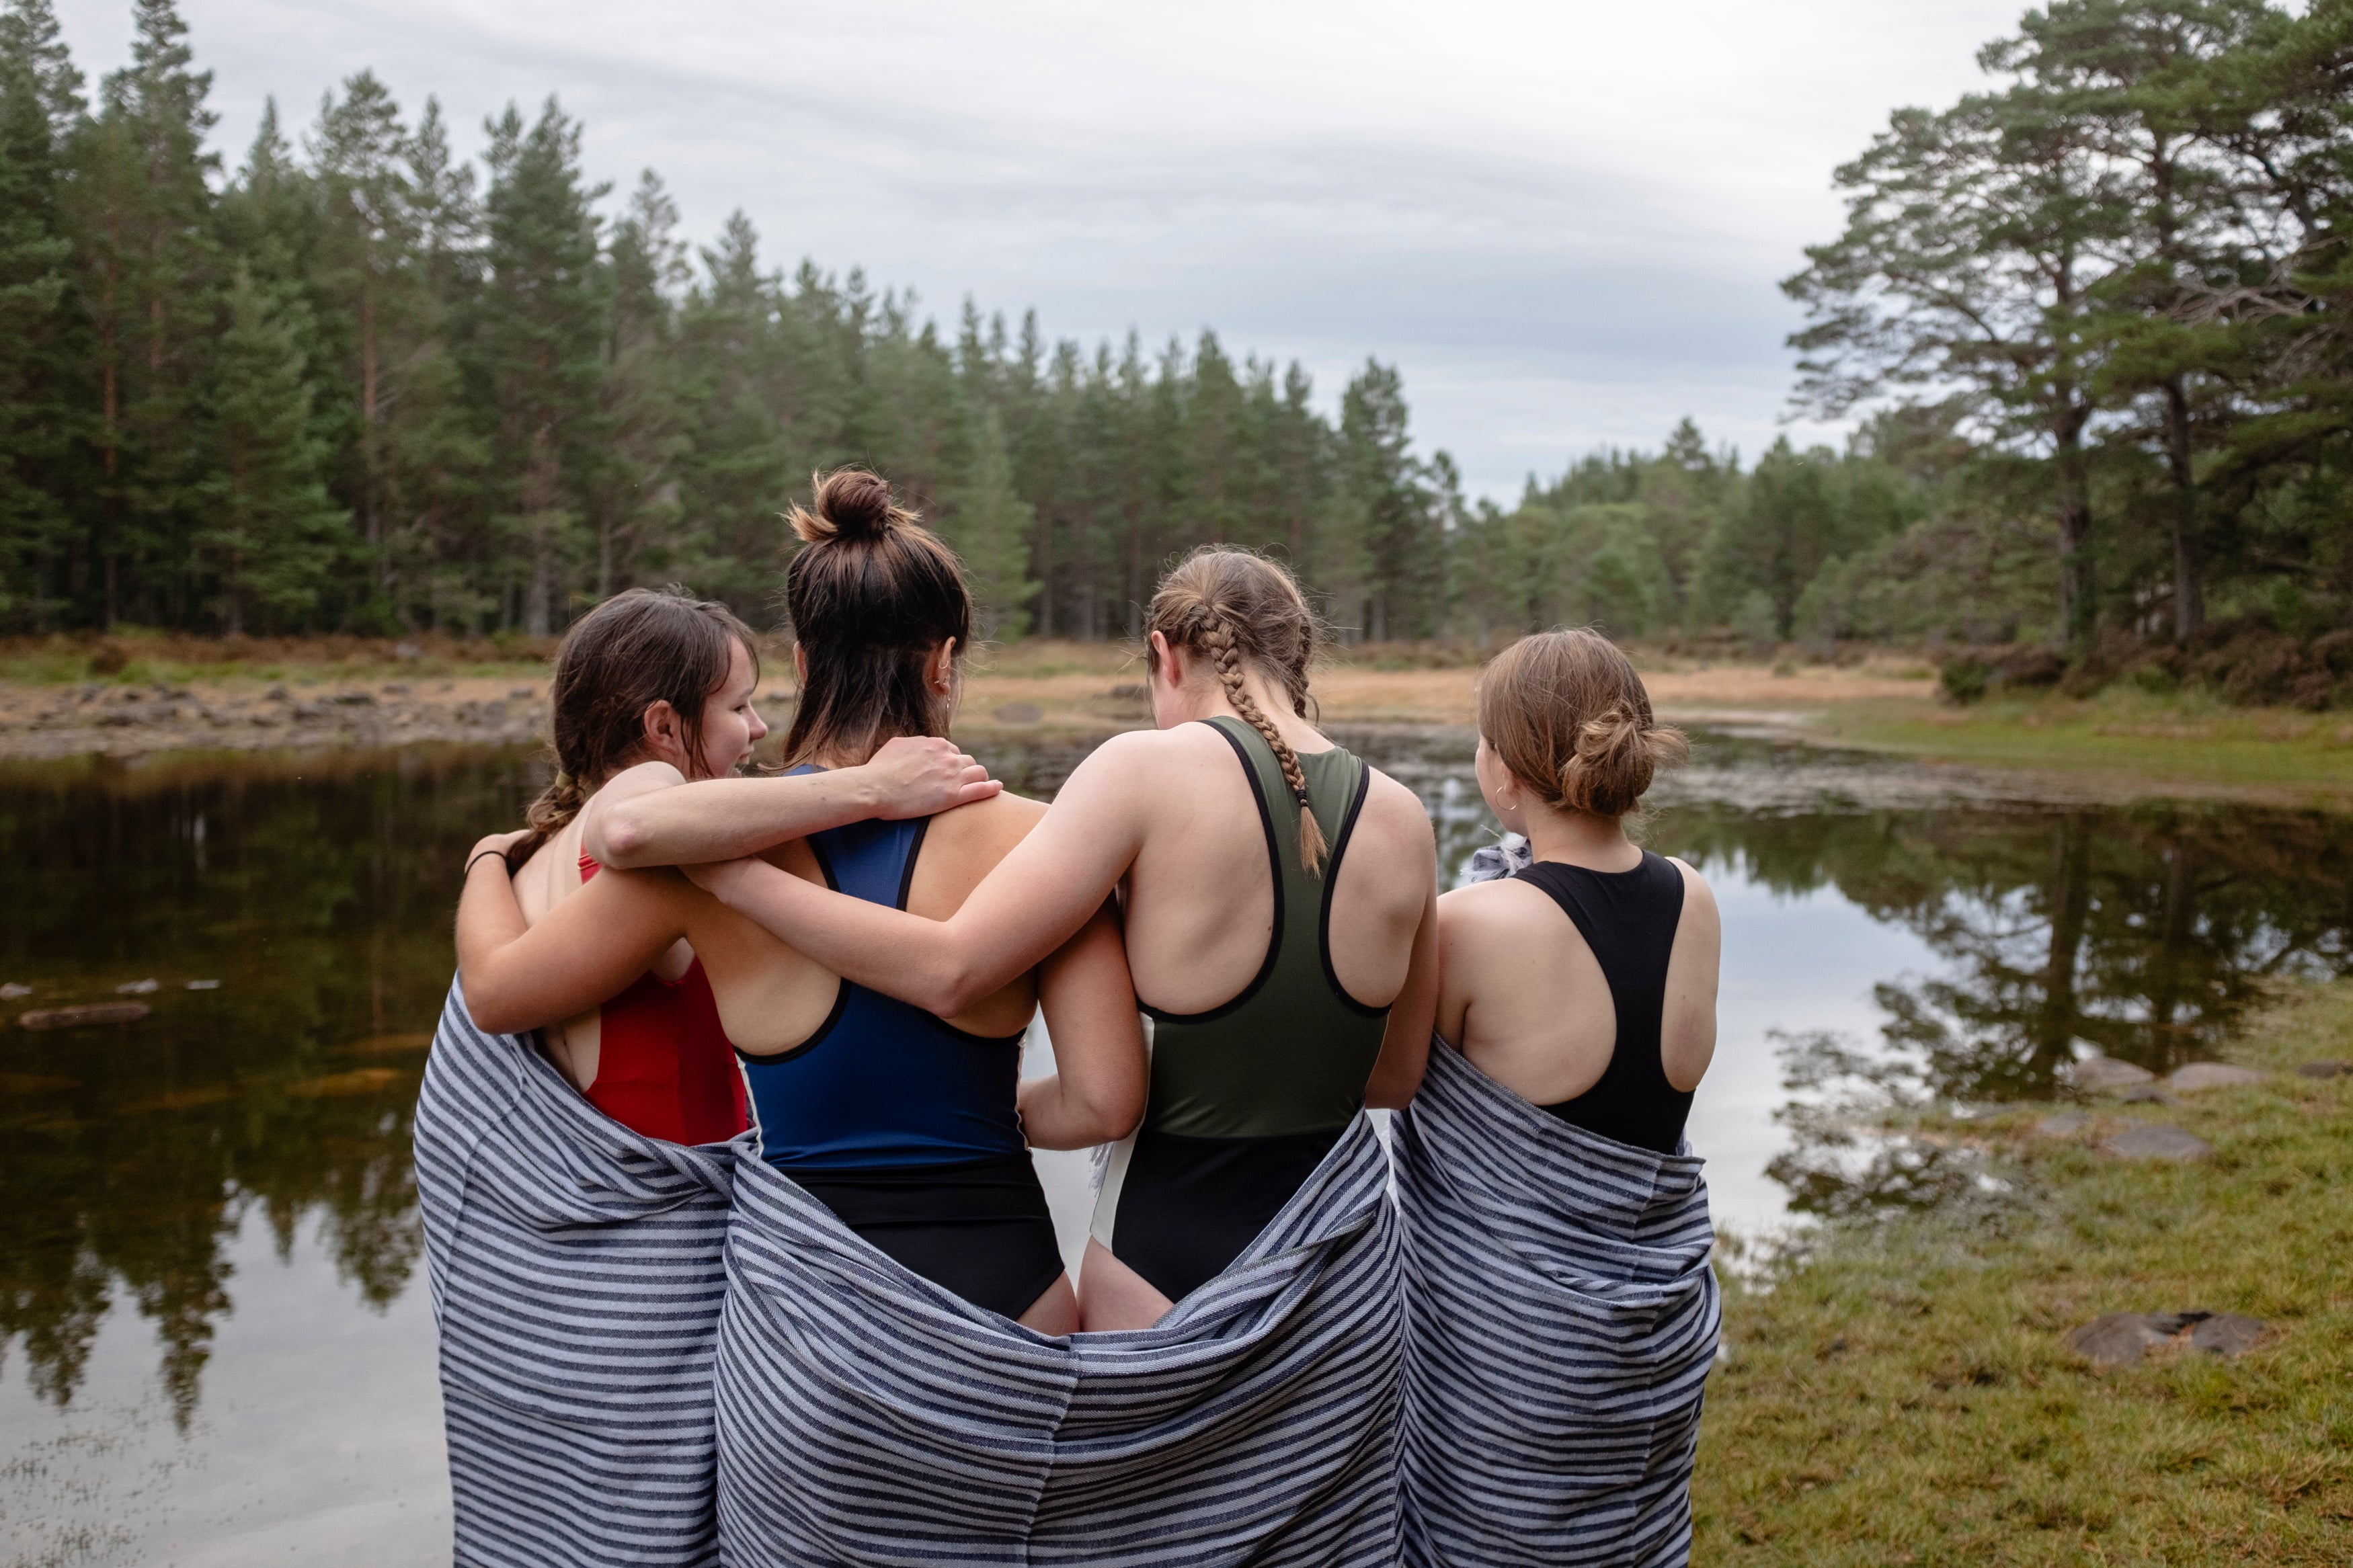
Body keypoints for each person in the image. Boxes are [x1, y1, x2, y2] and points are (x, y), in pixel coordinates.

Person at [670, 545, 1439, 1329]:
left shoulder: (1139, 770)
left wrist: (737, 879)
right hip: (1342, 1264)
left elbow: (956, 967)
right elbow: (1393, 1079)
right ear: (1296, 654)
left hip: (1153, 1255)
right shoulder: (1405, 816)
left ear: (1162, 656)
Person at [454, 472, 1146, 1333]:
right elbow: (1104, 1101)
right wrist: (969, 1117)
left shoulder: (701, 850)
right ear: (942, 661)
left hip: (800, 1309)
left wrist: (489, 855)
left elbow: (499, 994)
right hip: (1007, 1288)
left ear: (802, 663)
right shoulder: (1044, 842)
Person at [1394, 628, 1723, 1568]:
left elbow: (1384, 1084)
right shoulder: (1694, 898)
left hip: (1516, 1351)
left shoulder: (1469, 924)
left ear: (1503, 772)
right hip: (1654, 1337)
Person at [462, 584, 1000, 1147]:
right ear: (664, 727)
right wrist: (876, 787)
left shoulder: (534, 854)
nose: (760, 728)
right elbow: (627, 829)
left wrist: (487, 855)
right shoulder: (649, 791)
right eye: (739, 707)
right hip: (670, 1210)